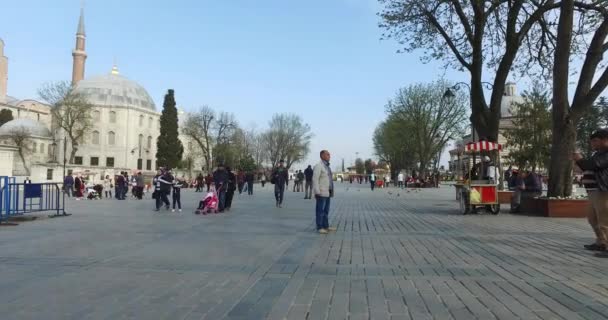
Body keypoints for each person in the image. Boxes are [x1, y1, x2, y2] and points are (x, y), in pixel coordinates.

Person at [574, 129, 608, 253]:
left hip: (603, 190)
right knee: (592, 218)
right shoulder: (598, 154)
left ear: (605, 140)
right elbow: (588, 166)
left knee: (604, 220)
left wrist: (579, 159)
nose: (592, 144)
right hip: (593, 191)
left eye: (595, 141)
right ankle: (601, 242)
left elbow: (591, 166)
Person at [312, 150, 336, 234]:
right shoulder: (319, 166)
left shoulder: (327, 167)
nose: (329, 156)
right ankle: (320, 227)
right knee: (320, 210)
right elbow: (315, 179)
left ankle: (326, 226)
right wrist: (317, 191)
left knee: (326, 210)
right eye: (328, 154)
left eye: (329, 154)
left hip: (328, 192)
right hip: (321, 192)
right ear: (322, 156)